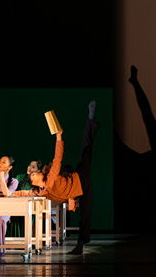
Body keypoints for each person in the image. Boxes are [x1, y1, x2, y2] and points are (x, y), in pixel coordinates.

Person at [16, 100, 99, 255]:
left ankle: (90, 118)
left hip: (80, 178)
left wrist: (59, 137)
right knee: (85, 214)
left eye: (35, 172)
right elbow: (24, 193)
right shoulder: (40, 192)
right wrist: (10, 193)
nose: (36, 173)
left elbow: (57, 157)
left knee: (86, 149)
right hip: (77, 193)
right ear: (34, 182)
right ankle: (80, 245)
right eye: (33, 175)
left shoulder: (51, 176)